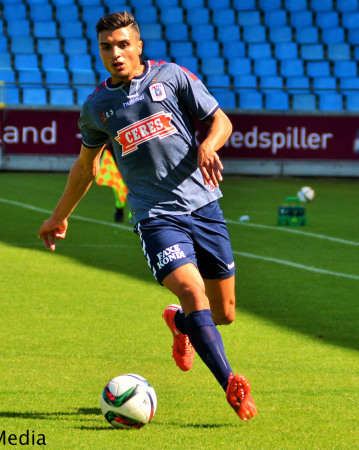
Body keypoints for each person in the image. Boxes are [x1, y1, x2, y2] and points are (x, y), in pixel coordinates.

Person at [38, 12, 257, 422]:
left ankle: (180, 324)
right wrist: (59, 216)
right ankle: (230, 383)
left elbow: (220, 121)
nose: (116, 53)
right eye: (106, 47)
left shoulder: (171, 76)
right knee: (192, 292)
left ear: (139, 46)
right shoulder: (97, 107)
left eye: (123, 44)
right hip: (155, 216)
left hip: (204, 206)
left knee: (223, 312)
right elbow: (85, 167)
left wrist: (208, 145)